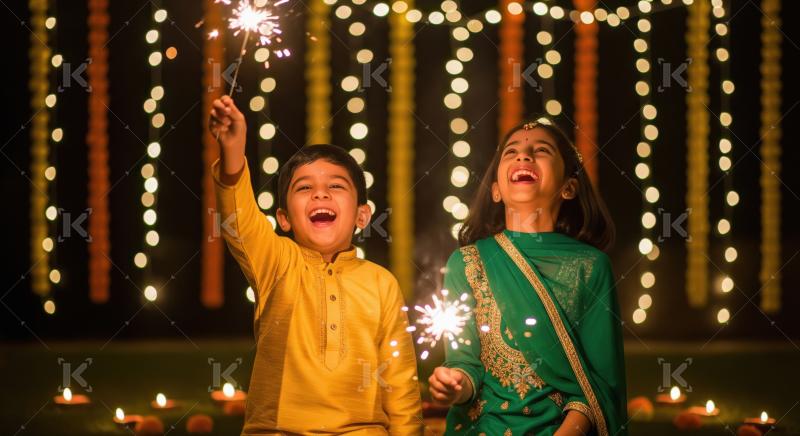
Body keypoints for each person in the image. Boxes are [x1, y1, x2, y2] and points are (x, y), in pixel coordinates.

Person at [210, 95, 424, 435]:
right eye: (304, 187)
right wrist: (233, 151)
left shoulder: (382, 283)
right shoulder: (276, 262)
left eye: (336, 186)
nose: (320, 195)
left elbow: (400, 383)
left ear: (362, 215)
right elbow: (240, 219)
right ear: (283, 218)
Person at [428, 119, 627, 436]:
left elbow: (600, 385)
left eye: (541, 150)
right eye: (512, 152)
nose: (524, 157)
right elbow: (465, 364)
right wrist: (454, 386)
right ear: (495, 188)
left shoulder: (590, 266)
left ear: (569, 186)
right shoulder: (467, 263)